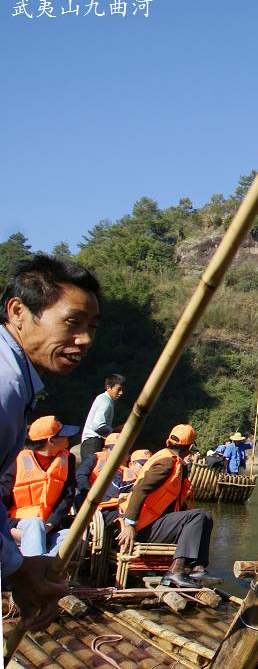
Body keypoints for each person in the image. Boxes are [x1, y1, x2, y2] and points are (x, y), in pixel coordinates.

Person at [0, 254, 98, 629]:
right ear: (18, 312)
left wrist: (19, 565)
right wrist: (16, 568)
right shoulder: (5, 385)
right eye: (73, 323)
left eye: (92, 326)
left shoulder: (17, 383)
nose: (85, 339)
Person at [116, 424, 214, 587]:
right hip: (143, 527)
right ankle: (175, 571)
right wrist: (130, 524)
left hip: (157, 523)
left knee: (206, 517)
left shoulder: (175, 462)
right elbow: (140, 489)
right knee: (199, 516)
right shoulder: (167, 462)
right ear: (189, 447)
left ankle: (198, 567)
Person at [2, 416, 78, 558]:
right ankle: (34, 575)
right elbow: (2, 498)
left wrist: (50, 524)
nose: (68, 437)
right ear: (51, 440)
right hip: (17, 526)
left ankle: (42, 570)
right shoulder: (16, 460)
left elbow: (67, 497)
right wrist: (9, 528)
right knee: (35, 524)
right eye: (64, 435)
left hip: (49, 527)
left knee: (70, 536)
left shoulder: (68, 460)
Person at [79, 374, 125, 468]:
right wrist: (113, 431)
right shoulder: (105, 401)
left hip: (92, 443)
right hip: (93, 443)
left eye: (122, 390)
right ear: (108, 387)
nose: (121, 393)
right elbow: (97, 425)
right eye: (118, 389)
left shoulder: (105, 400)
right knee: (94, 474)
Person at [74, 431, 118, 508]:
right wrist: (90, 493)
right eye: (114, 450)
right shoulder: (94, 458)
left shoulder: (126, 464)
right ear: (105, 450)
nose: (118, 453)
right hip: (91, 498)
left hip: (114, 501)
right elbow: (80, 475)